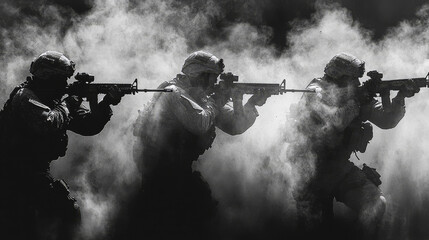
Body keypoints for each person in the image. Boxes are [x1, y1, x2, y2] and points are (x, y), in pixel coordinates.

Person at [127, 50, 270, 239]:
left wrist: (246, 102)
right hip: (160, 175)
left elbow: (235, 126)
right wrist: (219, 98)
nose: (214, 83)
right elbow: (200, 123)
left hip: (179, 172)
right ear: (198, 74)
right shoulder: (174, 92)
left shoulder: (204, 97)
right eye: (212, 77)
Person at [287, 53, 419, 239]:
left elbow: (387, 120)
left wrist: (399, 98)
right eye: (353, 78)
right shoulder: (315, 91)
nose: (358, 83)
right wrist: (359, 99)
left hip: (339, 168)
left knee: (375, 204)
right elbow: (334, 121)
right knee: (314, 229)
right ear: (338, 76)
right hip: (309, 170)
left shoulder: (357, 95)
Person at [0, 51, 123, 240]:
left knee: (68, 212)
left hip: (34, 173)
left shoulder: (56, 100)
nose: (66, 85)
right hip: (12, 175)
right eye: (62, 80)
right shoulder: (25, 96)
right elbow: (47, 123)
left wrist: (105, 102)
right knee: (21, 227)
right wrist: (69, 105)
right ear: (48, 77)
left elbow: (88, 126)